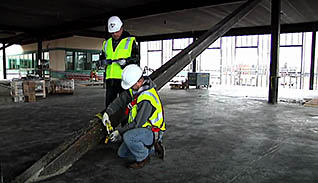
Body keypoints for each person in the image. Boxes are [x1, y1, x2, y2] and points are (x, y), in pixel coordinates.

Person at [101, 64, 166, 169]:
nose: (130, 88)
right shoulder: (136, 89)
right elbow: (120, 100)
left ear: (139, 81)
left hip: (152, 132)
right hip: (142, 130)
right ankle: (151, 150)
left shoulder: (147, 99)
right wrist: (107, 113)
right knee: (122, 153)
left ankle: (143, 158)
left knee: (128, 137)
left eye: (131, 85)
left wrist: (119, 132)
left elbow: (137, 124)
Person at [102, 16, 140, 109]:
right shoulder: (106, 43)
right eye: (112, 32)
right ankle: (110, 122)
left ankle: (126, 124)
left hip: (125, 79)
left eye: (117, 31)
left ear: (122, 28)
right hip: (110, 79)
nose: (115, 34)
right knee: (110, 106)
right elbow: (103, 56)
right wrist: (102, 62)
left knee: (125, 105)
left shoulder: (130, 41)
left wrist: (126, 61)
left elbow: (137, 58)